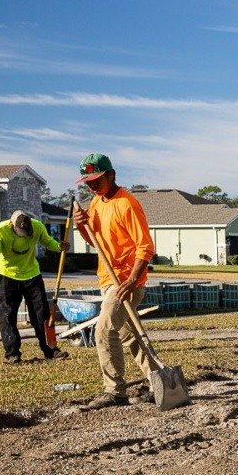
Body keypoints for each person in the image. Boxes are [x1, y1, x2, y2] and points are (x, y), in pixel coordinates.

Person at [69, 153, 155, 410]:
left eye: (96, 179)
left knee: (104, 329)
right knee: (129, 335)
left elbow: (145, 247)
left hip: (126, 281)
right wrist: (81, 225)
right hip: (106, 277)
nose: (91, 185)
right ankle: (157, 380)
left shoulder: (127, 204)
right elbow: (94, 240)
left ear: (111, 175)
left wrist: (131, 280)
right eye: (87, 181)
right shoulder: (96, 203)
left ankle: (115, 392)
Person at [0, 209, 66, 364]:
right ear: (12, 226)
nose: (26, 234)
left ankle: (50, 350)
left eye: (27, 231)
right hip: (7, 276)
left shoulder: (37, 226)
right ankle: (12, 354)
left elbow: (47, 241)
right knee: (7, 317)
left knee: (41, 314)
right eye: (22, 231)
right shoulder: (0, 231)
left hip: (32, 275)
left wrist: (58, 247)